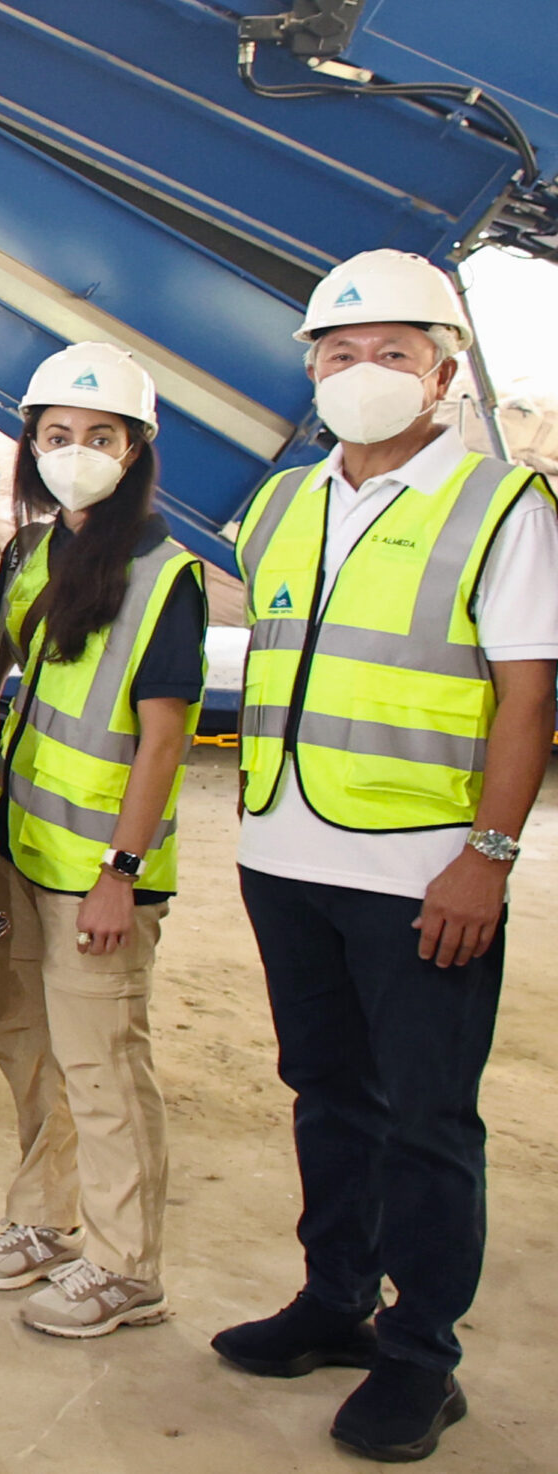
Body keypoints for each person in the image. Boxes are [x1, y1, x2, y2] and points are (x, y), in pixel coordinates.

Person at [213, 251, 556, 1464]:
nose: (364, 374)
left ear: (443, 371)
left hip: (421, 872)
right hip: (284, 850)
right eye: (342, 354)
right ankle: (333, 1300)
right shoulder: (283, 503)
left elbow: (526, 700)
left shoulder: (498, 508)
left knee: (427, 1120)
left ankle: (423, 1358)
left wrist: (488, 856)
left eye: (394, 354)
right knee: (325, 1093)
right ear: (310, 368)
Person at [0, 343, 203, 1337]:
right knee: (27, 1049)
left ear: (137, 448)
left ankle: (126, 1266)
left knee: (102, 1067)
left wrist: (121, 872)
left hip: (101, 872)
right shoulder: (27, 555)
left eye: (98, 437)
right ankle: (42, 1221)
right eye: (56, 435)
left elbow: (163, 739)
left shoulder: (166, 575)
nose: (74, 453)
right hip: (20, 854)